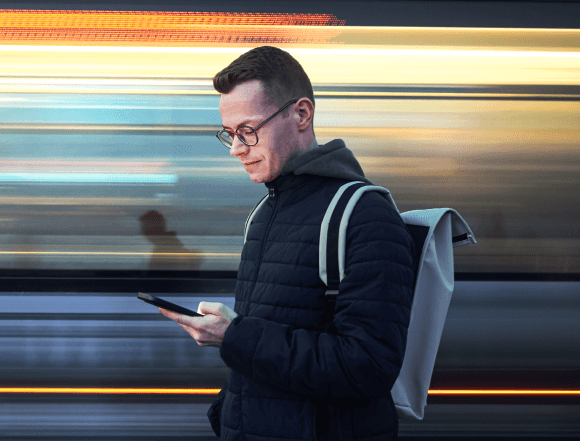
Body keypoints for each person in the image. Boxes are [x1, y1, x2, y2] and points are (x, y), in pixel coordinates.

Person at [158, 46, 415, 441]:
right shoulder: (263, 214)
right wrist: (231, 411)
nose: (236, 149)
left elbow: (367, 366)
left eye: (248, 130)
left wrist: (235, 336)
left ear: (301, 114)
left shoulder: (363, 215)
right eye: (228, 134)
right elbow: (271, 340)